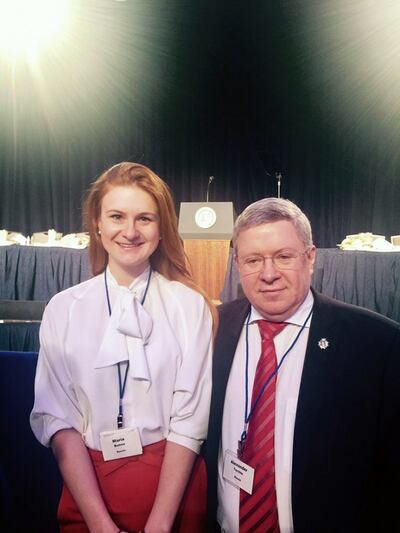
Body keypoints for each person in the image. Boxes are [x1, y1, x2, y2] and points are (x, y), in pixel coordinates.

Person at [30, 162, 217, 533]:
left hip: (173, 491)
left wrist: (160, 524)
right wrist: (99, 524)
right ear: (97, 224)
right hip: (89, 489)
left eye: (144, 218)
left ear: (162, 228)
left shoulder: (188, 304)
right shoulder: (63, 308)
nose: (130, 231)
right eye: (117, 216)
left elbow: (190, 418)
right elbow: (58, 418)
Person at [205, 197, 400, 533]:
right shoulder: (211, 329)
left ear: (310, 257)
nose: (268, 274)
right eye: (253, 260)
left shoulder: (377, 343)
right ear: (237, 263)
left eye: (283, 257)